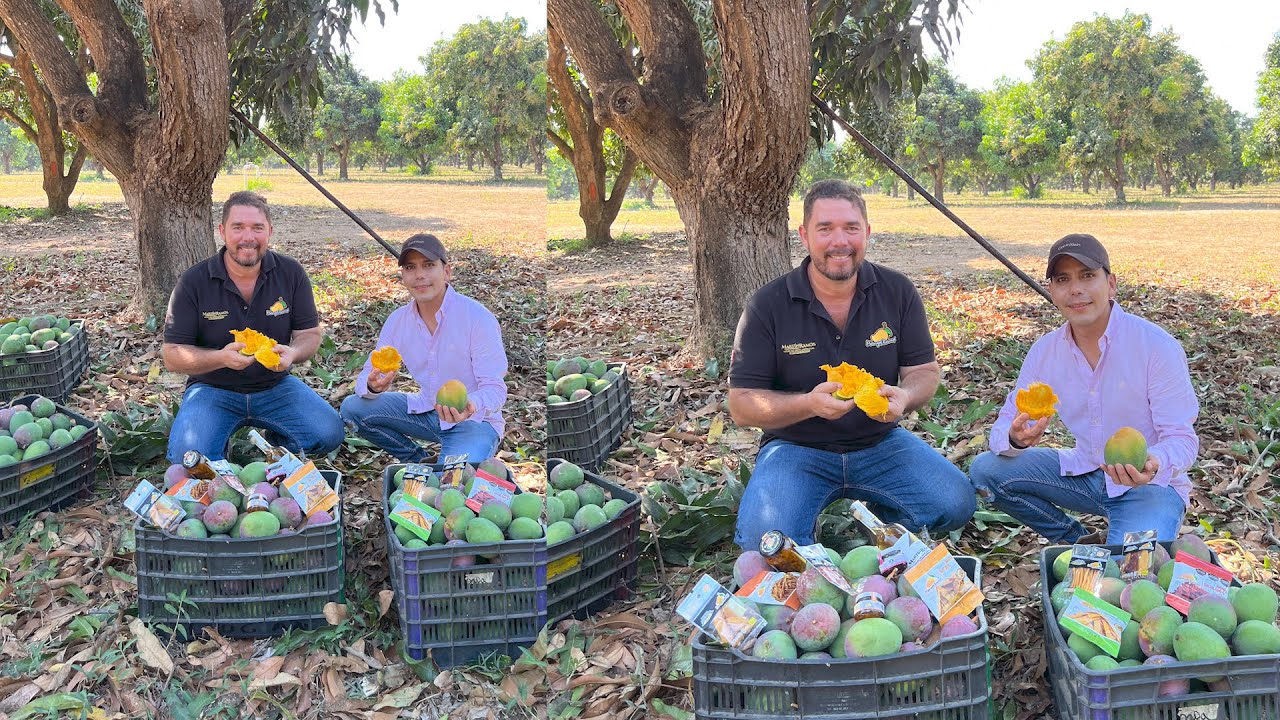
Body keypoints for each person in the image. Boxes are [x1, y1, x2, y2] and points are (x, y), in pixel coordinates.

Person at [728, 179, 975, 551]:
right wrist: (807, 404)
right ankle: (807, 523)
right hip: (797, 448)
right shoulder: (768, 304)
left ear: (867, 233)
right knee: (764, 542)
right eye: (825, 229)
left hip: (880, 443)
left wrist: (904, 398)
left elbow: (923, 372)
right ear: (804, 236)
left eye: (851, 228)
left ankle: (874, 519)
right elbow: (742, 405)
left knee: (954, 503)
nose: (839, 241)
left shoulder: (897, 291)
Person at [968, 233, 1199, 543]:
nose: (1075, 290)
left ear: (1111, 284)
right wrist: (1015, 438)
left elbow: (1182, 439)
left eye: (1087, 276)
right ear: (1052, 291)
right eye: (1063, 280)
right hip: (1086, 472)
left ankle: (1115, 549)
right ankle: (1075, 540)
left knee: (1128, 576)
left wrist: (1153, 461)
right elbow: (1007, 423)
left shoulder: (1155, 347)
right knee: (987, 471)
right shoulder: (1046, 352)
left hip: (1148, 486)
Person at [163, 191, 344, 462]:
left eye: (257, 228)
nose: (248, 237)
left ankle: (273, 442)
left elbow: (309, 335)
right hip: (213, 389)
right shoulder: (194, 281)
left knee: (328, 433)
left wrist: (293, 354)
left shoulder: (290, 273)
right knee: (186, 457)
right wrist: (220, 358)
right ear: (222, 231)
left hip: (275, 386)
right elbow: (172, 354)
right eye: (238, 227)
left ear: (269, 231)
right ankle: (216, 442)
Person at [340, 234, 507, 463]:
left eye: (428, 265)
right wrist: (373, 385)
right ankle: (419, 461)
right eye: (411, 267)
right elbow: (366, 378)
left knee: (451, 485)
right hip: (427, 411)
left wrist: (471, 405)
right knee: (352, 409)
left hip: (474, 421)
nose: (420, 275)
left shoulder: (477, 319)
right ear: (403, 276)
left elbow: (496, 389)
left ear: (447, 271)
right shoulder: (398, 321)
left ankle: (445, 467)